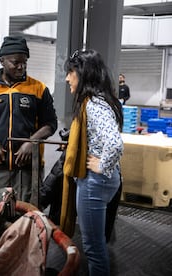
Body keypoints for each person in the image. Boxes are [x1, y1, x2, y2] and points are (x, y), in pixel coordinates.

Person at [0, 36, 57, 203]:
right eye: (15, 62)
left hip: (28, 169)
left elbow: (50, 124)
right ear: (2, 60)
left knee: (27, 215)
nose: (21, 66)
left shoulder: (39, 89)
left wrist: (31, 143)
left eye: (24, 62)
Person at [63, 49, 124, 275]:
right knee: (96, 245)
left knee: (93, 248)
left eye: (71, 72)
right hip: (106, 180)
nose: (67, 78)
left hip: (95, 181)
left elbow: (115, 144)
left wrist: (102, 164)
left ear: (84, 73)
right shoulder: (102, 99)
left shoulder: (93, 104)